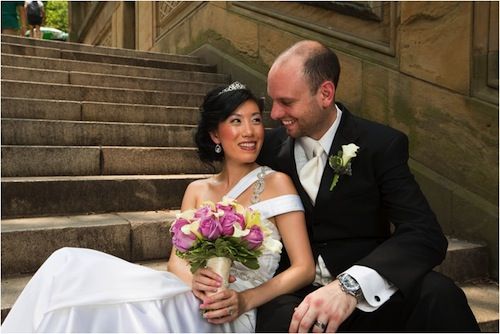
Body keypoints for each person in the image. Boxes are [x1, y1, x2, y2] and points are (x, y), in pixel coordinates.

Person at [1, 82, 315, 333]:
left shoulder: (277, 182)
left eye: (256, 120)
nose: (250, 131)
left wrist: (245, 300)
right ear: (215, 134)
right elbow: (176, 263)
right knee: (66, 265)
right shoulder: (197, 190)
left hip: (229, 313)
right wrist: (194, 281)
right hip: (187, 295)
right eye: (236, 121)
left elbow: (304, 268)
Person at [256, 40, 480, 332]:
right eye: (272, 101)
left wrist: (351, 286)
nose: (273, 114)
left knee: (440, 295)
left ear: (325, 93)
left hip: (367, 289)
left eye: (286, 102)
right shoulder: (267, 148)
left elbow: (424, 233)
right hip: (293, 291)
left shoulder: (381, 144)